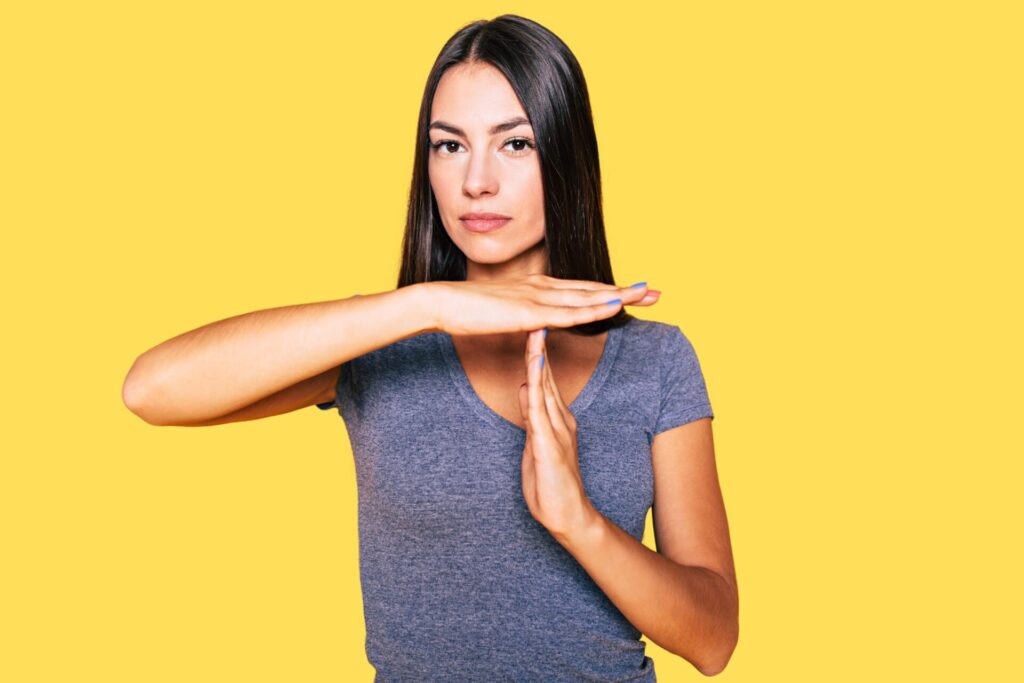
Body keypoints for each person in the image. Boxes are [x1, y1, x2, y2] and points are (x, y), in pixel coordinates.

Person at [122, 14, 738, 681]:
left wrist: (578, 522)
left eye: (515, 144)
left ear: (563, 154)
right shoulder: (385, 345)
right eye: (449, 146)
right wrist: (428, 304)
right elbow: (150, 389)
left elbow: (713, 638)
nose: (477, 180)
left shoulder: (656, 361)